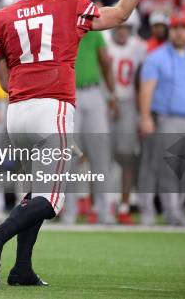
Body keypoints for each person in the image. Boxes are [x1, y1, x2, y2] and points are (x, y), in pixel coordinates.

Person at [0, 0, 163, 289]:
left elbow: (3, 79)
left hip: (18, 111)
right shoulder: (70, 4)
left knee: (34, 191)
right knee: (53, 198)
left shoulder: (2, 16)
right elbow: (121, 13)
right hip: (53, 106)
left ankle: (22, 269)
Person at [138, 13, 185, 226]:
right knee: (168, 168)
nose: (180, 32)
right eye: (175, 28)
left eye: (183, 28)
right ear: (169, 31)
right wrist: (145, 117)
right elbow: (146, 90)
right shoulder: (156, 57)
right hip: (167, 118)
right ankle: (170, 211)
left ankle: (178, 210)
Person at [61, 27, 117, 225]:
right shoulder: (62, 30)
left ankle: (104, 211)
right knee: (69, 157)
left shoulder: (94, 32)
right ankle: (69, 212)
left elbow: (105, 63)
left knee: (100, 156)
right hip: (68, 95)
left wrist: (112, 95)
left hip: (93, 93)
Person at [104, 10, 146, 225]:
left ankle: (124, 205)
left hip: (128, 105)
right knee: (102, 157)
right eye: (119, 27)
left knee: (127, 157)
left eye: (126, 28)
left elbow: (141, 80)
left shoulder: (139, 48)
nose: (122, 31)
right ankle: (103, 205)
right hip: (105, 103)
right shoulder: (105, 44)